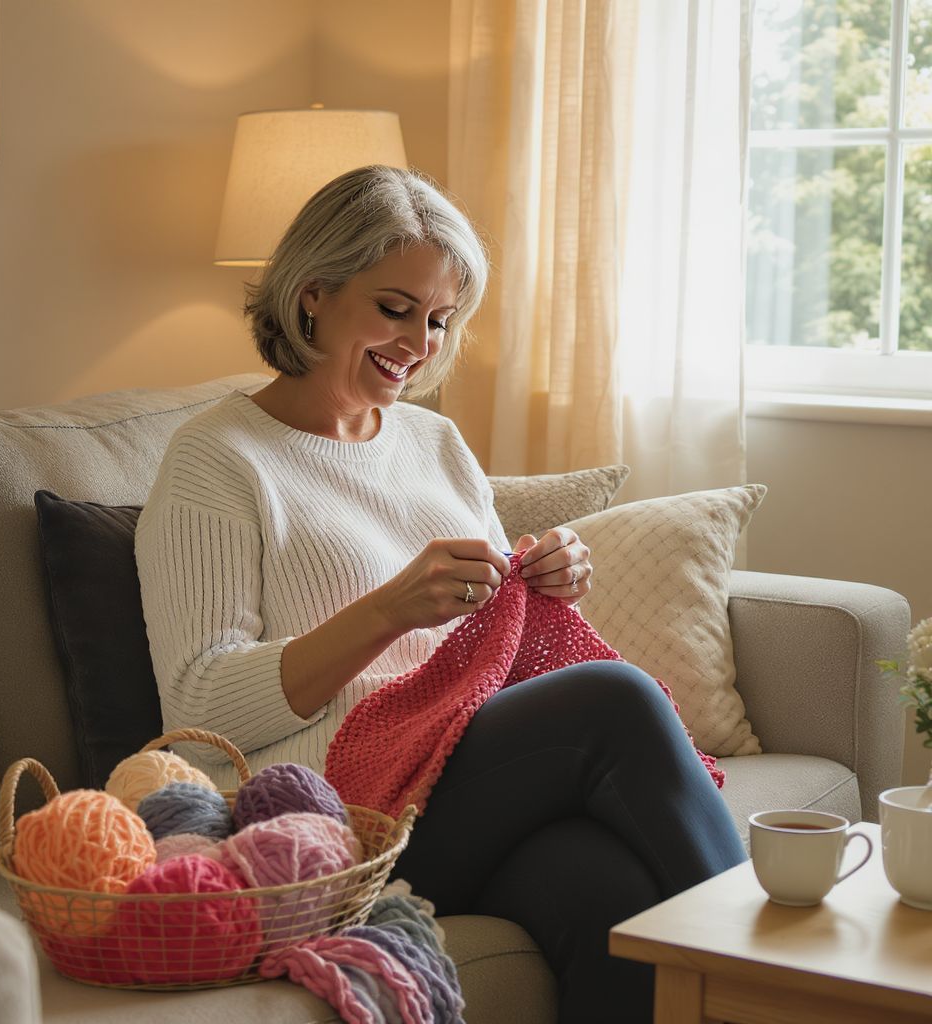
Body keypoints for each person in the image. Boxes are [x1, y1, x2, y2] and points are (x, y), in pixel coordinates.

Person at [134, 164, 746, 1022]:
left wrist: (549, 581)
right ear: (313, 294)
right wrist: (386, 611)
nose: (419, 341)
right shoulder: (218, 459)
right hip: (333, 812)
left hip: (455, 772)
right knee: (613, 698)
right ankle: (781, 975)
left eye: (439, 318)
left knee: (601, 887)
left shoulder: (436, 443)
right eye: (394, 307)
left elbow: (491, 646)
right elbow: (199, 709)